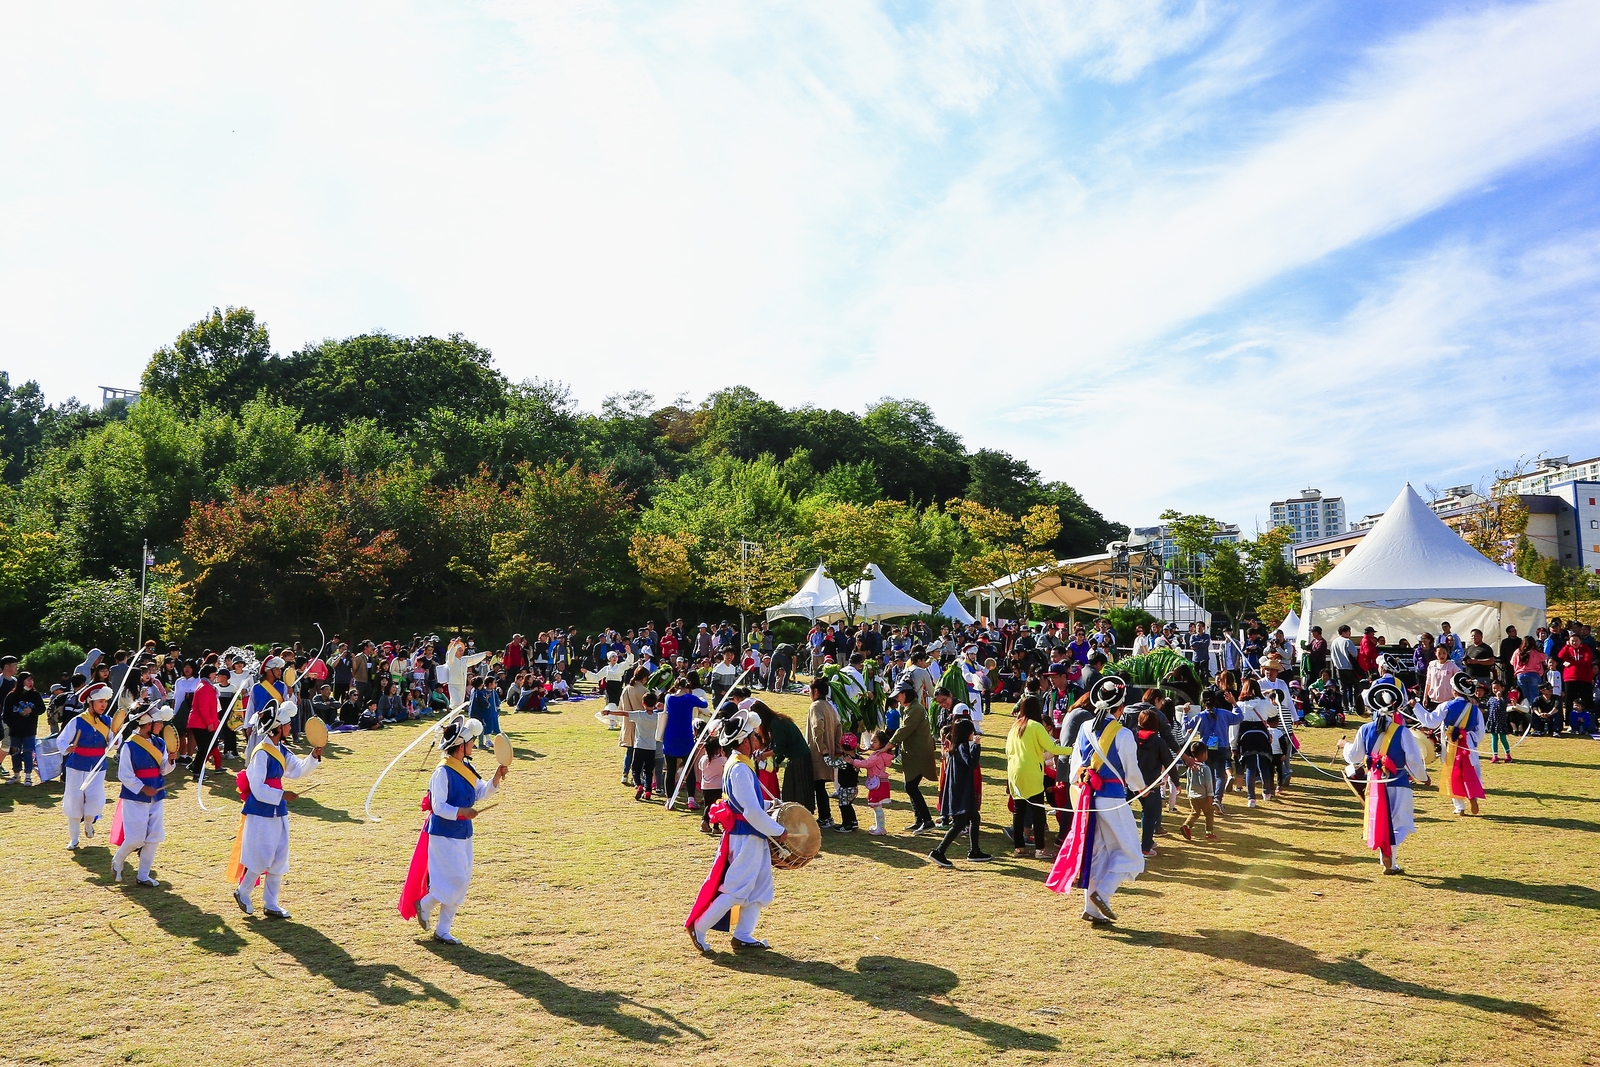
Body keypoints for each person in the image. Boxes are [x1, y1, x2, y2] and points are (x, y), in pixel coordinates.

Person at [687, 709, 790, 954]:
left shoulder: (741, 764)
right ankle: (699, 927)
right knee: (737, 889)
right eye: (753, 736)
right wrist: (778, 830)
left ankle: (743, 935)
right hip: (746, 837)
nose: (757, 739)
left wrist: (771, 805)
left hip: (751, 836)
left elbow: (745, 803)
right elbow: (751, 811)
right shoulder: (740, 768)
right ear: (744, 741)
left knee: (759, 888)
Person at [401, 717, 508, 945]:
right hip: (443, 833)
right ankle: (425, 904)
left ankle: (443, 930)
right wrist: (462, 811)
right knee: (455, 880)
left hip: (463, 833)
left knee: (462, 880)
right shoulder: (442, 772)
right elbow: (438, 806)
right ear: (461, 746)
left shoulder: (466, 767)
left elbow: (481, 792)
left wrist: (496, 777)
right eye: (471, 742)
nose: (473, 745)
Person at [1046, 686, 1147, 924]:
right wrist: (1141, 788)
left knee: (1097, 853)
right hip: (1112, 799)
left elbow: (1075, 769)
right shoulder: (1123, 734)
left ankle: (1091, 909)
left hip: (1087, 798)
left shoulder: (1084, 728)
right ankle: (1103, 893)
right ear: (1120, 708)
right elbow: (1131, 770)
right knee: (1132, 853)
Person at [233, 701, 323, 919]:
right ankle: (243, 891)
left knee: (279, 856)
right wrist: (282, 795)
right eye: (288, 725)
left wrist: (313, 756)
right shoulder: (261, 753)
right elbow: (257, 786)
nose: (291, 727)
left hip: (277, 811)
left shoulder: (281, 750)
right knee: (261, 856)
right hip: (261, 811)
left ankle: (271, 903)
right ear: (278, 728)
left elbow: (297, 770)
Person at [1344, 684, 1428, 874]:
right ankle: (1389, 853)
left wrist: (1345, 745)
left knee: (1379, 821)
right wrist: (1423, 777)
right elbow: (1414, 760)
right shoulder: (1402, 731)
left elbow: (1354, 756)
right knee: (1401, 822)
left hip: (1374, 784)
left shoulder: (1364, 729)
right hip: (1398, 782)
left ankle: (1388, 860)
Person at [112, 702, 178, 886]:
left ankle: (143, 875)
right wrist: (142, 787)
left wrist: (171, 761)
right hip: (135, 797)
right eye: (159, 722)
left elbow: (163, 769)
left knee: (154, 836)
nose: (162, 725)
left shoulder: (160, 743)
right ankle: (118, 860)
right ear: (148, 723)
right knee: (135, 838)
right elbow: (124, 774)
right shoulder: (129, 745)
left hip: (156, 795)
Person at [1004, 695, 1073, 859]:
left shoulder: (1015, 726)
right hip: (1031, 772)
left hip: (1014, 771)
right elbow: (1052, 748)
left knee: (1019, 810)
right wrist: (1073, 750)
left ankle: (1019, 847)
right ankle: (1040, 849)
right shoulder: (1036, 726)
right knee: (1038, 811)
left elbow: (1007, 750)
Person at [1418, 675, 1485, 817]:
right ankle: (1473, 796)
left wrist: (1416, 707)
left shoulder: (1446, 706)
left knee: (1453, 773)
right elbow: (1480, 732)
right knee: (1472, 771)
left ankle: (1459, 807)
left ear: (1454, 691)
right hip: (1468, 745)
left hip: (1450, 745)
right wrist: (1471, 740)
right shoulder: (1475, 710)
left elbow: (1430, 722)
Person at [59, 683, 116, 849]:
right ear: (90, 703)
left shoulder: (108, 721)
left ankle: (89, 821)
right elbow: (62, 740)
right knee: (74, 799)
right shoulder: (78, 720)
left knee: (95, 798)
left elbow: (113, 743)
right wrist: (67, 748)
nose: (103, 705)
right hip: (76, 765)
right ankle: (74, 838)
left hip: (98, 765)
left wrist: (116, 738)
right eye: (100, 702)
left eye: (105, 701)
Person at [928, 719, 988, 867]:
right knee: (960, 823)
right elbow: (972, 763)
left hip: (961, 790)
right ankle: (939, 852)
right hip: (961, 792)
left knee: (975, 817)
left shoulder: (956, 747)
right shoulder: (962, 747)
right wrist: (976, 745)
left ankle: (975, 851)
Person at [888, 681, 935, 833]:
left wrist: (888, 746)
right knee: (910, 787)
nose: (897, 698)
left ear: (905, 694)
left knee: (911, 787)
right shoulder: (909, 707)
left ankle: (927, 821)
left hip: (919, 753)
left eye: (898, 695)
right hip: (913, 753)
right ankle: (919, 820)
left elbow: (904, 730)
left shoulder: (915, 709)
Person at [1132, 706, 1175, 855]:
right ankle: (1145, 847)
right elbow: (1168, 762)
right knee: (1149, 814)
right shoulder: (1158, 742)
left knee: (1124, 812)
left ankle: (1145, 843)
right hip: (1151, 785)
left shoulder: (1131, 737)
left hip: (1132, 782)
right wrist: (1176, 781)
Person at [805, 680, 841, 828]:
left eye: (810, 691)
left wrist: (822, 747)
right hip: (828, 751)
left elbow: (817, 726)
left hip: (818, 753)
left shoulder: (815, 706)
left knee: (818, 785)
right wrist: (836, 748)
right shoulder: (830, 706)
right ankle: (826, 816)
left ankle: (825, 817)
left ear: (815, 691)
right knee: (820, 785)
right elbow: (839, 727)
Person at [3, 672, 45, 785]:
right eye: (28, 680)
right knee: (15, 752)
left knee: (28, 752)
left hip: (29, 730)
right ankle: (16, 775)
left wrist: (32, 710)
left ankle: (28, 776)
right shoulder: (11, 696)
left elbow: (42, 709)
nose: (31, 682)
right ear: (21, 682)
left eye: (32, 680)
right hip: (15, 731)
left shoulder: (35, 695)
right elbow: (5, 714)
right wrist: (11, 724)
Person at [850, 730, 894, 835]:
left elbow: (866, 764)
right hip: (881, 782)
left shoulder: (876, 756)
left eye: (875, 741)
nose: (871, 743)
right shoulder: (882, 755)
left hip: (877, 784)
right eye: (871, 741)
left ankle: (881, 828)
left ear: (882, 744)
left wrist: (852, 761)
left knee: (877, 806)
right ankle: (879, 826)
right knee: (877, 806)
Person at [1178, 740, 1216, 841]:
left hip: (1193, 796)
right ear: (1203, 754)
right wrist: (1210, 795)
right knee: (1209, 813)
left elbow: (1189, 781)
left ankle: (1186, 826)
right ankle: (1209, 833)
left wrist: (1188, 793)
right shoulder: (1205, 768)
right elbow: (1208, 783)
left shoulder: (1190, 767)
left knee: (1195, 812)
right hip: (1204, 796)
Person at [629, 690, 661, 802]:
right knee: (648, 771)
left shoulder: (639, 715)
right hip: (651, 747)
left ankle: (639, 785)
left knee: (635, 769)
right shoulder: (658, 716)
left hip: (639, 746)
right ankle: (648, 791)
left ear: (643, 703)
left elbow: (624, 713)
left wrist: (609, 712)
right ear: (655, 703)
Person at [1330, 625, 1360, 711]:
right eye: (1348, 631)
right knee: (1356, 687)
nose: (1350, 633)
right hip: (1349, 667)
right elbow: (1355, 654)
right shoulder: (1347, 641)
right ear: (1343, 632)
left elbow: (1332, 655)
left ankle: (1345, 707)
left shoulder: (1334, 642)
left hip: (1338, 668)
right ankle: (1356, 705)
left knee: (1343, 689)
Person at [1423, 644, 1461, 710]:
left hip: (1448, 701)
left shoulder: (1451, 665)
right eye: (1439, 653)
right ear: (1435, 653)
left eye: (1444, 653)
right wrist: (1425, 697)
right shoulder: (1432, 665)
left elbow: (1460, 676)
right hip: (1433, 700)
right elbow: (1428, 682)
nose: (1442, 656)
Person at [1485, 679, 1513, 763]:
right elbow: (1486, 706)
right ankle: (1495, 755)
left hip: (1501, 722)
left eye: (1497, 688)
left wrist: (1499, 698)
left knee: (1503, 738)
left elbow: (1501, 706)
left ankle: (1508, 755)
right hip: (1493, 722)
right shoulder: (1491, 699)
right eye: (1494, 688)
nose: (1495, 690)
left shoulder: (1504, 699)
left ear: (1502, 688)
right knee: (1494, 739)